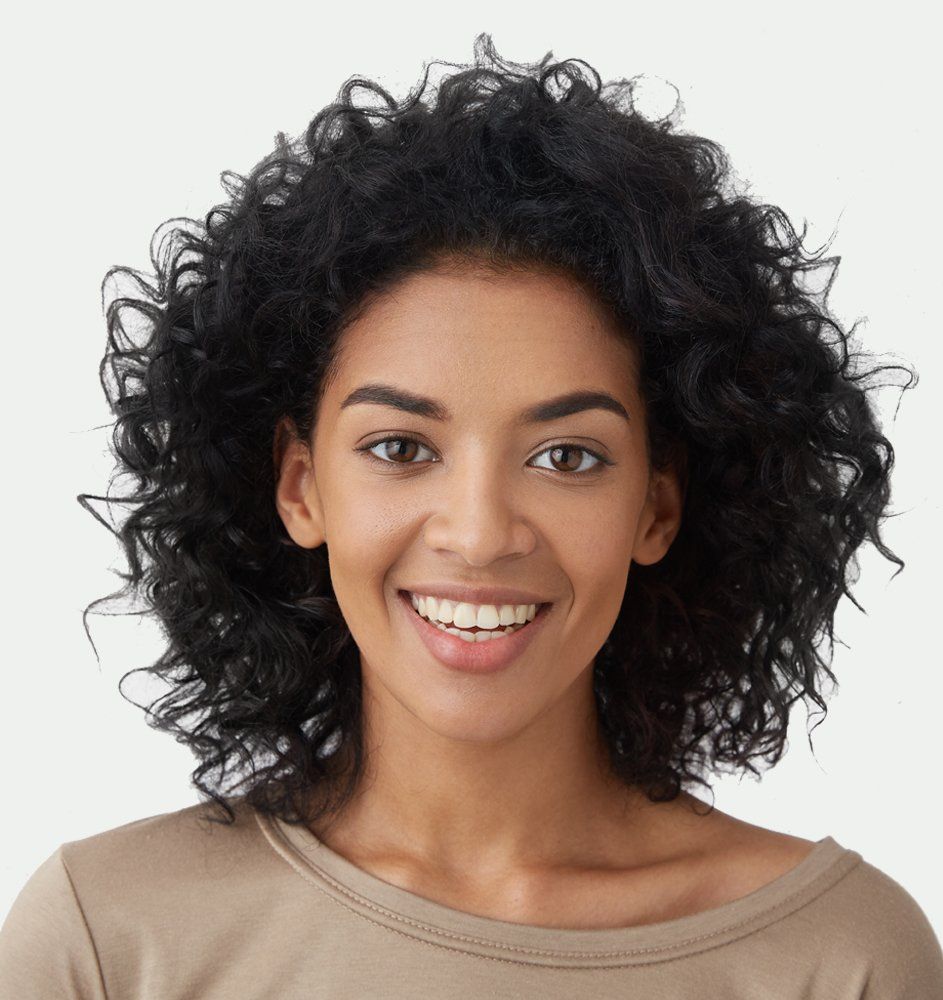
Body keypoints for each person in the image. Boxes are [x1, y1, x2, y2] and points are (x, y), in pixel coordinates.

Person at [1, 32, 940, 999]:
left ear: (656, 507)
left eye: (566, 456)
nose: (480, 532)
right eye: (400, 449)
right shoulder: (109, 940)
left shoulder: (837, 957)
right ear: (299, 487)